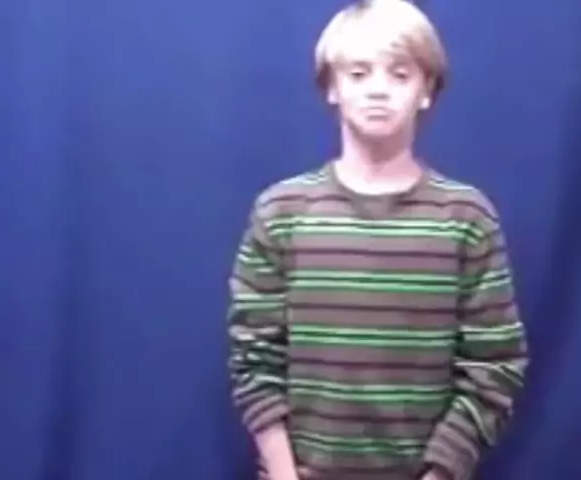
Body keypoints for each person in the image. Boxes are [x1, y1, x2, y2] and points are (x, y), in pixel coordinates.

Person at [226, 1, 529, 479]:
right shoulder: (281, 212)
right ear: (332, 87)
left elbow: (495, 367)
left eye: (400, 74)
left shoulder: (466, 218)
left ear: (426, 90)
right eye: (358, 73)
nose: (378, 89)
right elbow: (254, 358)